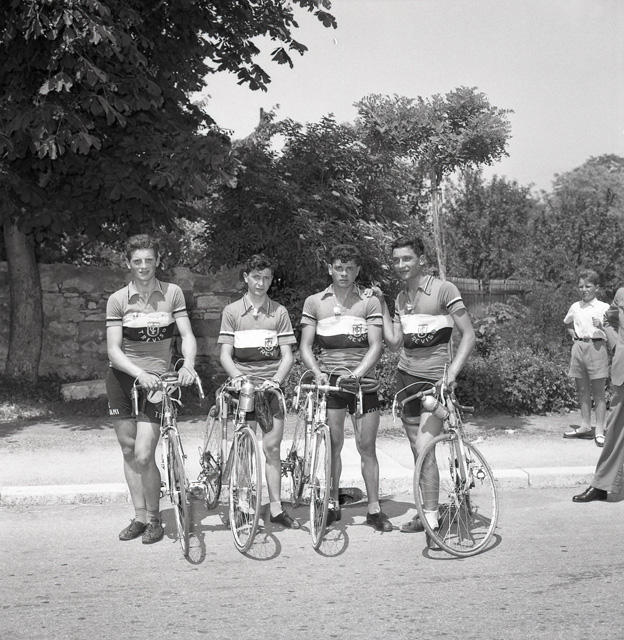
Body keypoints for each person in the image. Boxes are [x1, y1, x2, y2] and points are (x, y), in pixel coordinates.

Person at [374, 236, 475, 533]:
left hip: (435, 381)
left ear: (421, 260)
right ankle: (428, 511)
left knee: (424, 446)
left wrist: (451, 373)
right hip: (406, 378)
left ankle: (430, 517)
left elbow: (469, 335)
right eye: (396, 260)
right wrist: (382, 306)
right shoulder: (400, 298)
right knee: (418, 452)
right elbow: (394, 343)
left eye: (407, 258)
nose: (401, 264)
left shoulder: (444, 290)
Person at [106, 234, 199, 545]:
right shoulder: (118, 299)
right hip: (123, 378)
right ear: (128, 263)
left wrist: (188, 364)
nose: (143, 266)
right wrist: (138, 373)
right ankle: (139, 517)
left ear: (158, 261)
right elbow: (114, 350)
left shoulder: (172, 293)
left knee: (145, 453)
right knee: (128, 449)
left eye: (149, 260)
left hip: (159, 380)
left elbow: (186, 335)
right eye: (137, 261)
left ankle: (155, 519)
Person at [300, 244, 391, 532]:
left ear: (358, 270)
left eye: (350, 268)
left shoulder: (368, 301)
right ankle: (331, 505)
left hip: (364, 384)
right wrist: (317, 373)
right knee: (333, 445)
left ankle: (374, 510)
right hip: (332, 384)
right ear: (329, 268)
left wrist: (357, 374)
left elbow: (377, 345)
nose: (344, 273)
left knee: (367, 447)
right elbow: (305, 346)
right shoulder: (315, 302)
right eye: (339, 267)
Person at [218, 254, 300, 529]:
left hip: (270, 389)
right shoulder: (232, 312)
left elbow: (287, 356)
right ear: (246, 277)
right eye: (256, 277)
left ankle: (276, 508)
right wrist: (238, 378)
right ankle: (243, 505)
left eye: (266, 278)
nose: (261, 283)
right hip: (243, 389)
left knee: (272, 448)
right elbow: (225, 355)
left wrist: (276, 380)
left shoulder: (279, 312)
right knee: (244, 448)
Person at [573, 286, 624, 503]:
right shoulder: (622, 294)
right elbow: (608, 320)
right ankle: (602, 484)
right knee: (615, 430)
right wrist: (618, 346)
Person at [562, 269, 610, 446]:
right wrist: (573, 335)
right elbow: (567, 322)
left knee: (598, 392)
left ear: (597, 287)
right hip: (579, 347)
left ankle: (599, 430)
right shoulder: (575, 306)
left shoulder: (604, 308)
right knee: (582, 390)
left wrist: (602, 326)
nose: (584, 290)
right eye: (581, 286)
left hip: (597, 347)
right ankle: (585, 426)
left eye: (588, 286)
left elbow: (614, 330)